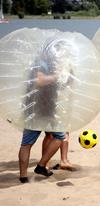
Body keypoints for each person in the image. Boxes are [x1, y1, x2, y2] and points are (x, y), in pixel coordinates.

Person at [18, 39, 71, 183]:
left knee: (29, 143)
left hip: (42, 108)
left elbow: (55, 85)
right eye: (55, 52)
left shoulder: (49, 64)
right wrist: (57, 75)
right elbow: (40, 81)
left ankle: (28, 174)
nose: (56, 55)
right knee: (59, 136)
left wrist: (67, 79)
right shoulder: (41, 63)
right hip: (38, 109)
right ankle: (38, 167)